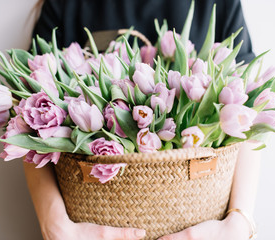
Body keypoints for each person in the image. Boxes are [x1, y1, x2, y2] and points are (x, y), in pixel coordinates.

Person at [24, 0, 261, 239]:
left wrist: (239, 222)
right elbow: (28, 116)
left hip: (201, 223)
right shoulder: (66, 4)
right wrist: (54, 225)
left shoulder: (218, 3)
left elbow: (248, 109)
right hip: (90, 221)